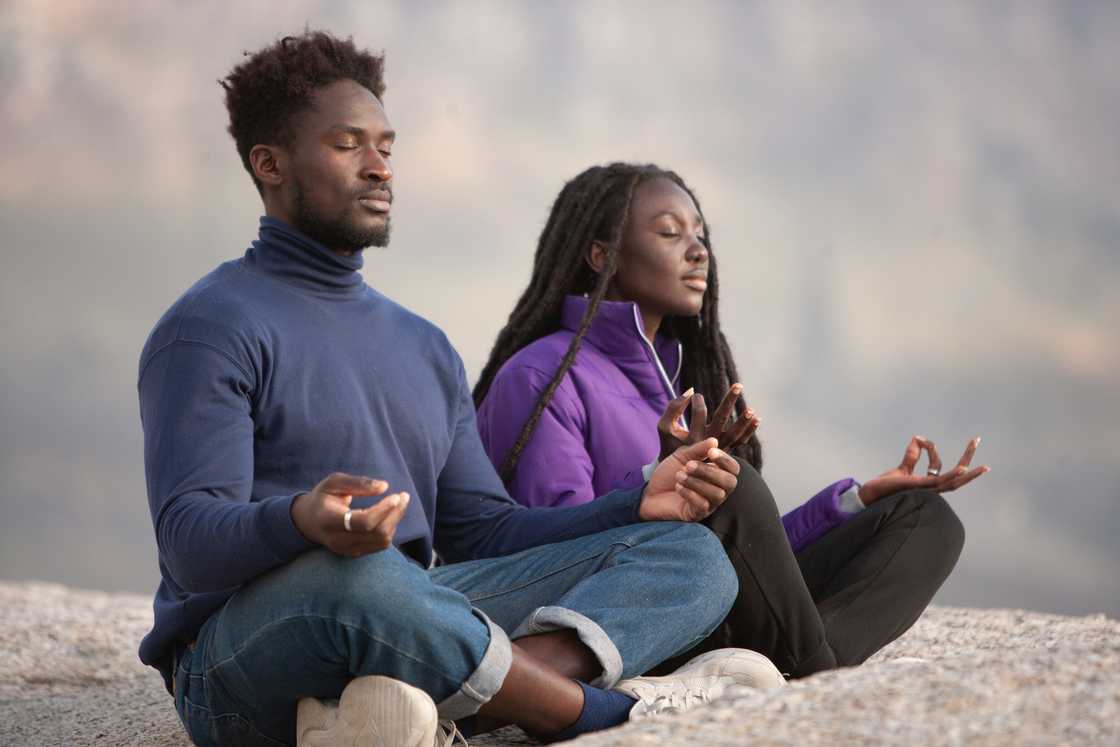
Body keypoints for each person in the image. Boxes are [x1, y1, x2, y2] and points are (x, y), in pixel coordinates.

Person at [137, 35, 779, 747]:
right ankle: (604, 716)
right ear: (271, 165)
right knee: (353, 577)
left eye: (386, 146)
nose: (380, 167)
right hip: (242, 657)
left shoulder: (424, 346)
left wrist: (637, 501)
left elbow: (485, 533)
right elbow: (188, 542)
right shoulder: (210, 327)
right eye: (348, 145)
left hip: (407, 615)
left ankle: (402, 713)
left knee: (691, 557)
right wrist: (300, 521)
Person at [474, 162, 989, 678]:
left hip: (716, 605)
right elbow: (553, 553)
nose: (698, 250)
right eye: (670, 233)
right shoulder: (541, 376)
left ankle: (808, 672)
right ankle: (818, 679)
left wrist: (858, 501)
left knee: (925, 519)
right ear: (602, 256)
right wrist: (656, 483)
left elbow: (750, 548)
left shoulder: (679, 378)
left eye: (700, 235)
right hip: (634, 612)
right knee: (728, 482)